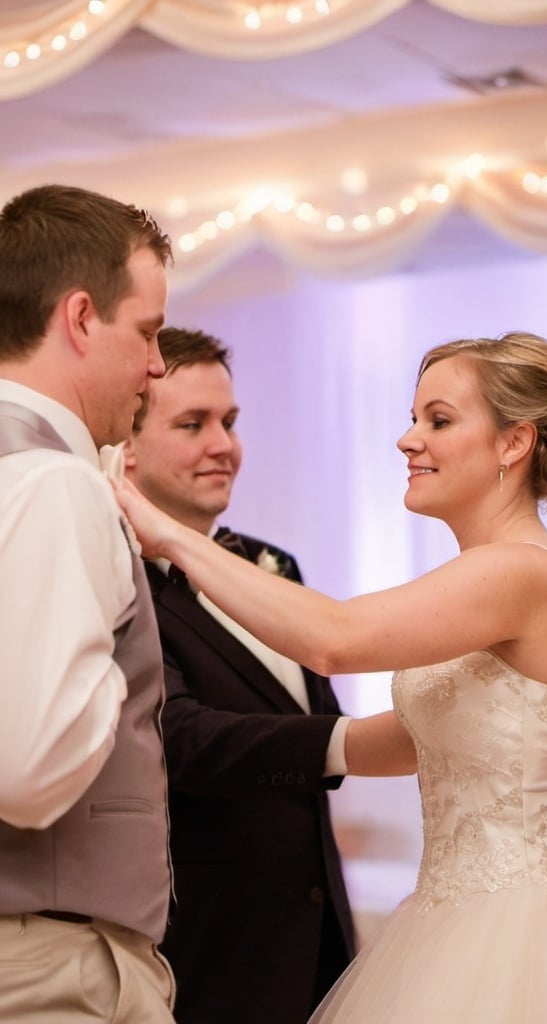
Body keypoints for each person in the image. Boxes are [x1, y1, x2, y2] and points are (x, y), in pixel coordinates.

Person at [115, 329, 547, 1023]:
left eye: (439, 421)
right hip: (446, 912)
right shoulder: (491, 574)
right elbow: (429, 738)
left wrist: (167, 534)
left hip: (513, 925)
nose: (407, 440)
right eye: (413, 417)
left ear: (513, 443)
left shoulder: (521, 570)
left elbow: (334, 640)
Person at [122, 326, 356, 1024]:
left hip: (316, 943)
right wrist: (352, 744)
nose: (224, 445)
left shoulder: (273, 565)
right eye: (192, 424)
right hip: (205, 952)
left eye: (229, 421)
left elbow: (309, 699)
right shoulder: (117, 582)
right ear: (125, 448)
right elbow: (181, 737)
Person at [0, 183, 177, 1022]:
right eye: (146, 332)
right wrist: (106, 616)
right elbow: (29, 773)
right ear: (78, 318)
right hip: (50, 960)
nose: (156, 366)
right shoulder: (54, 481)